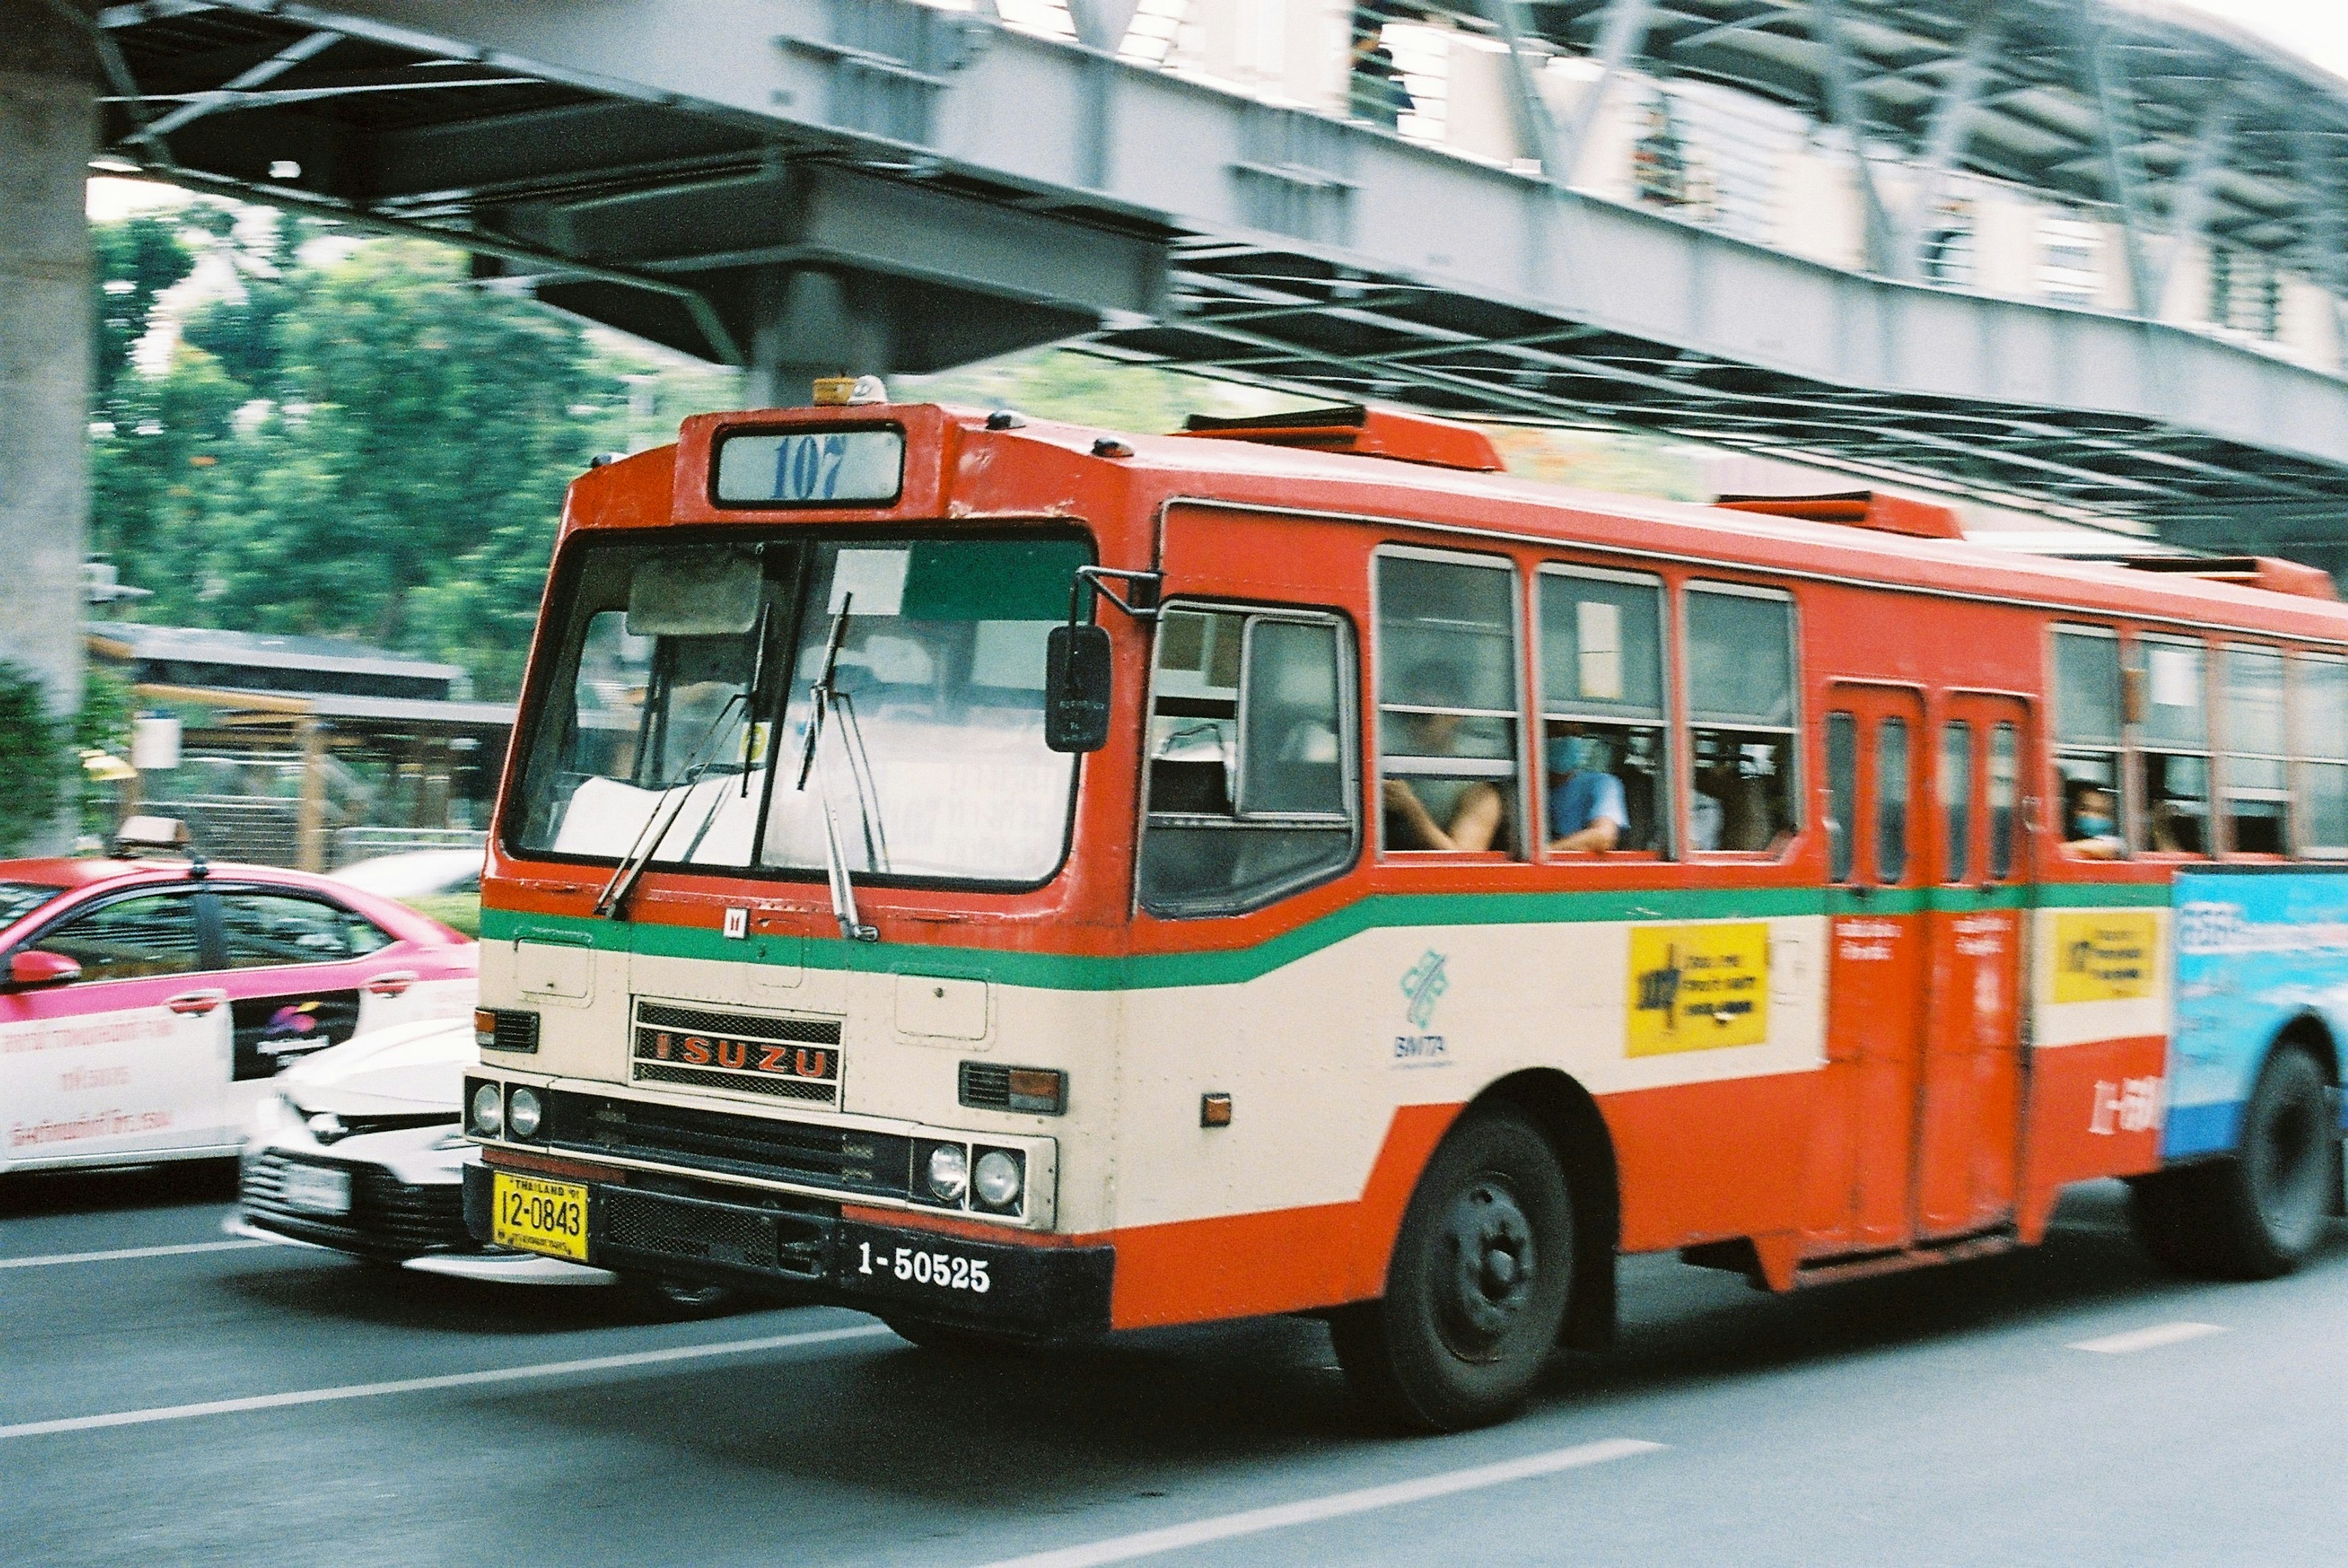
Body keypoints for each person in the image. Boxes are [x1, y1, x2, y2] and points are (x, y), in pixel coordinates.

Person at [1383, 668, 1505, 852]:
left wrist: (1410, 809)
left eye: (1424, 717)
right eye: (1404, 716)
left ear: (1455, 715)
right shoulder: (1390, 764)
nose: (1412, 725)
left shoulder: (1477, 787)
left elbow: (1463, 860)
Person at [1546, 726, 1628, 853]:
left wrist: (1545, 852)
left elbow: (1603, 837)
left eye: (1576, 735)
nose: (1569, 740)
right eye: (1559, 734)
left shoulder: (1602, 783)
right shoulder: (1522, 787)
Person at [2066, 783, 2124, 859]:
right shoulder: (2064, 834)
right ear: (2073, 809)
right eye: (2084, 809)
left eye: (2102, 812)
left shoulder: (2117, 840)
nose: (2092, 815)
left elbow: (2116, 848)